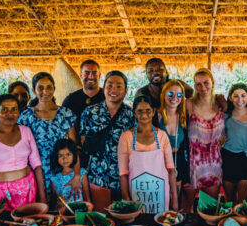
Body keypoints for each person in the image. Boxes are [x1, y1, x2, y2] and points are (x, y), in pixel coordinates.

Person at [0, 94, 46, 209]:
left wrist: (42, 197)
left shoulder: (26, 131)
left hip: (28, 189)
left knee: (29, 224)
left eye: (14, 109)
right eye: (4, 109)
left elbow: (37, 165)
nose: (10, 114)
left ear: (19, 112)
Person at [18, 72, 78, 193]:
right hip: (35, 168)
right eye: (40, 88)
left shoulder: (65, 113)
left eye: (49, 87)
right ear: (34, 90)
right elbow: (21, 146)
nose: (45, 91)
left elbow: (73, 146)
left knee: (60, 204)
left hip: (61, 166)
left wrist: (74, 173)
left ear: (54, 89)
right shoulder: (26, 116)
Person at [81, 71, 136, 201]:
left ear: (125, 90)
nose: (113, 90)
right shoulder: (90, 112)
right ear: (103, 87)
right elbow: (84, 143)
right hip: (97, 176)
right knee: (100, 217)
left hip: (123, 179)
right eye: (109, 85)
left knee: (123, 216)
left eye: (119, 86)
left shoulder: (131, 115)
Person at [118, 95, 179, 214]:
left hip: (161, 193)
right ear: (134, 113)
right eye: (139, 111)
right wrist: (126, 198)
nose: (144, 115)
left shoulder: (162, 136)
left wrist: (175, 199)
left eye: (148, 111)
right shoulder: (126, 137)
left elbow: (171, 170)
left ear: (153, 112)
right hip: (136, 194)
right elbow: (123, 173)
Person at [186, 68, 225, 197]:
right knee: (187, 208)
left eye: (206, 82)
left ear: (212, 82)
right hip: (192, 162)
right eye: (198, 84)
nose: (203, 87)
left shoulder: (221, 104)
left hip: (214, 162)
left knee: (211, 205)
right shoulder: (189, 104)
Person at [156, 79, 191, 210]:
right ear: (164, 95)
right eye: (170, 94)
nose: (175, 98)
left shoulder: (184, 117)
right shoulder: (155, 116)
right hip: (160, 161)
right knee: (162, 199)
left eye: (179, 95)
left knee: (175, 199)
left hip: (178, 160)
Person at [222, 83, 247, 203]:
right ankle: (229, 222)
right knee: (229, 200)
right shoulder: (225, 116)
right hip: (229, 158)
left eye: (243, 95)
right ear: (230, 98)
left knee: (243, 201)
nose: (240, 100)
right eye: (236, 96)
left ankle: (243, 222)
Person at [50, 138, 91, 204]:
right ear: (56, 157)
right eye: (61, 156)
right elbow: (55, 201)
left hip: (80, 212)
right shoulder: (54, 178)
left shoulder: (82, 173)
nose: (65, 158)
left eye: (68, 154)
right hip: (63, 212)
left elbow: (87, 197)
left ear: (74, 155)